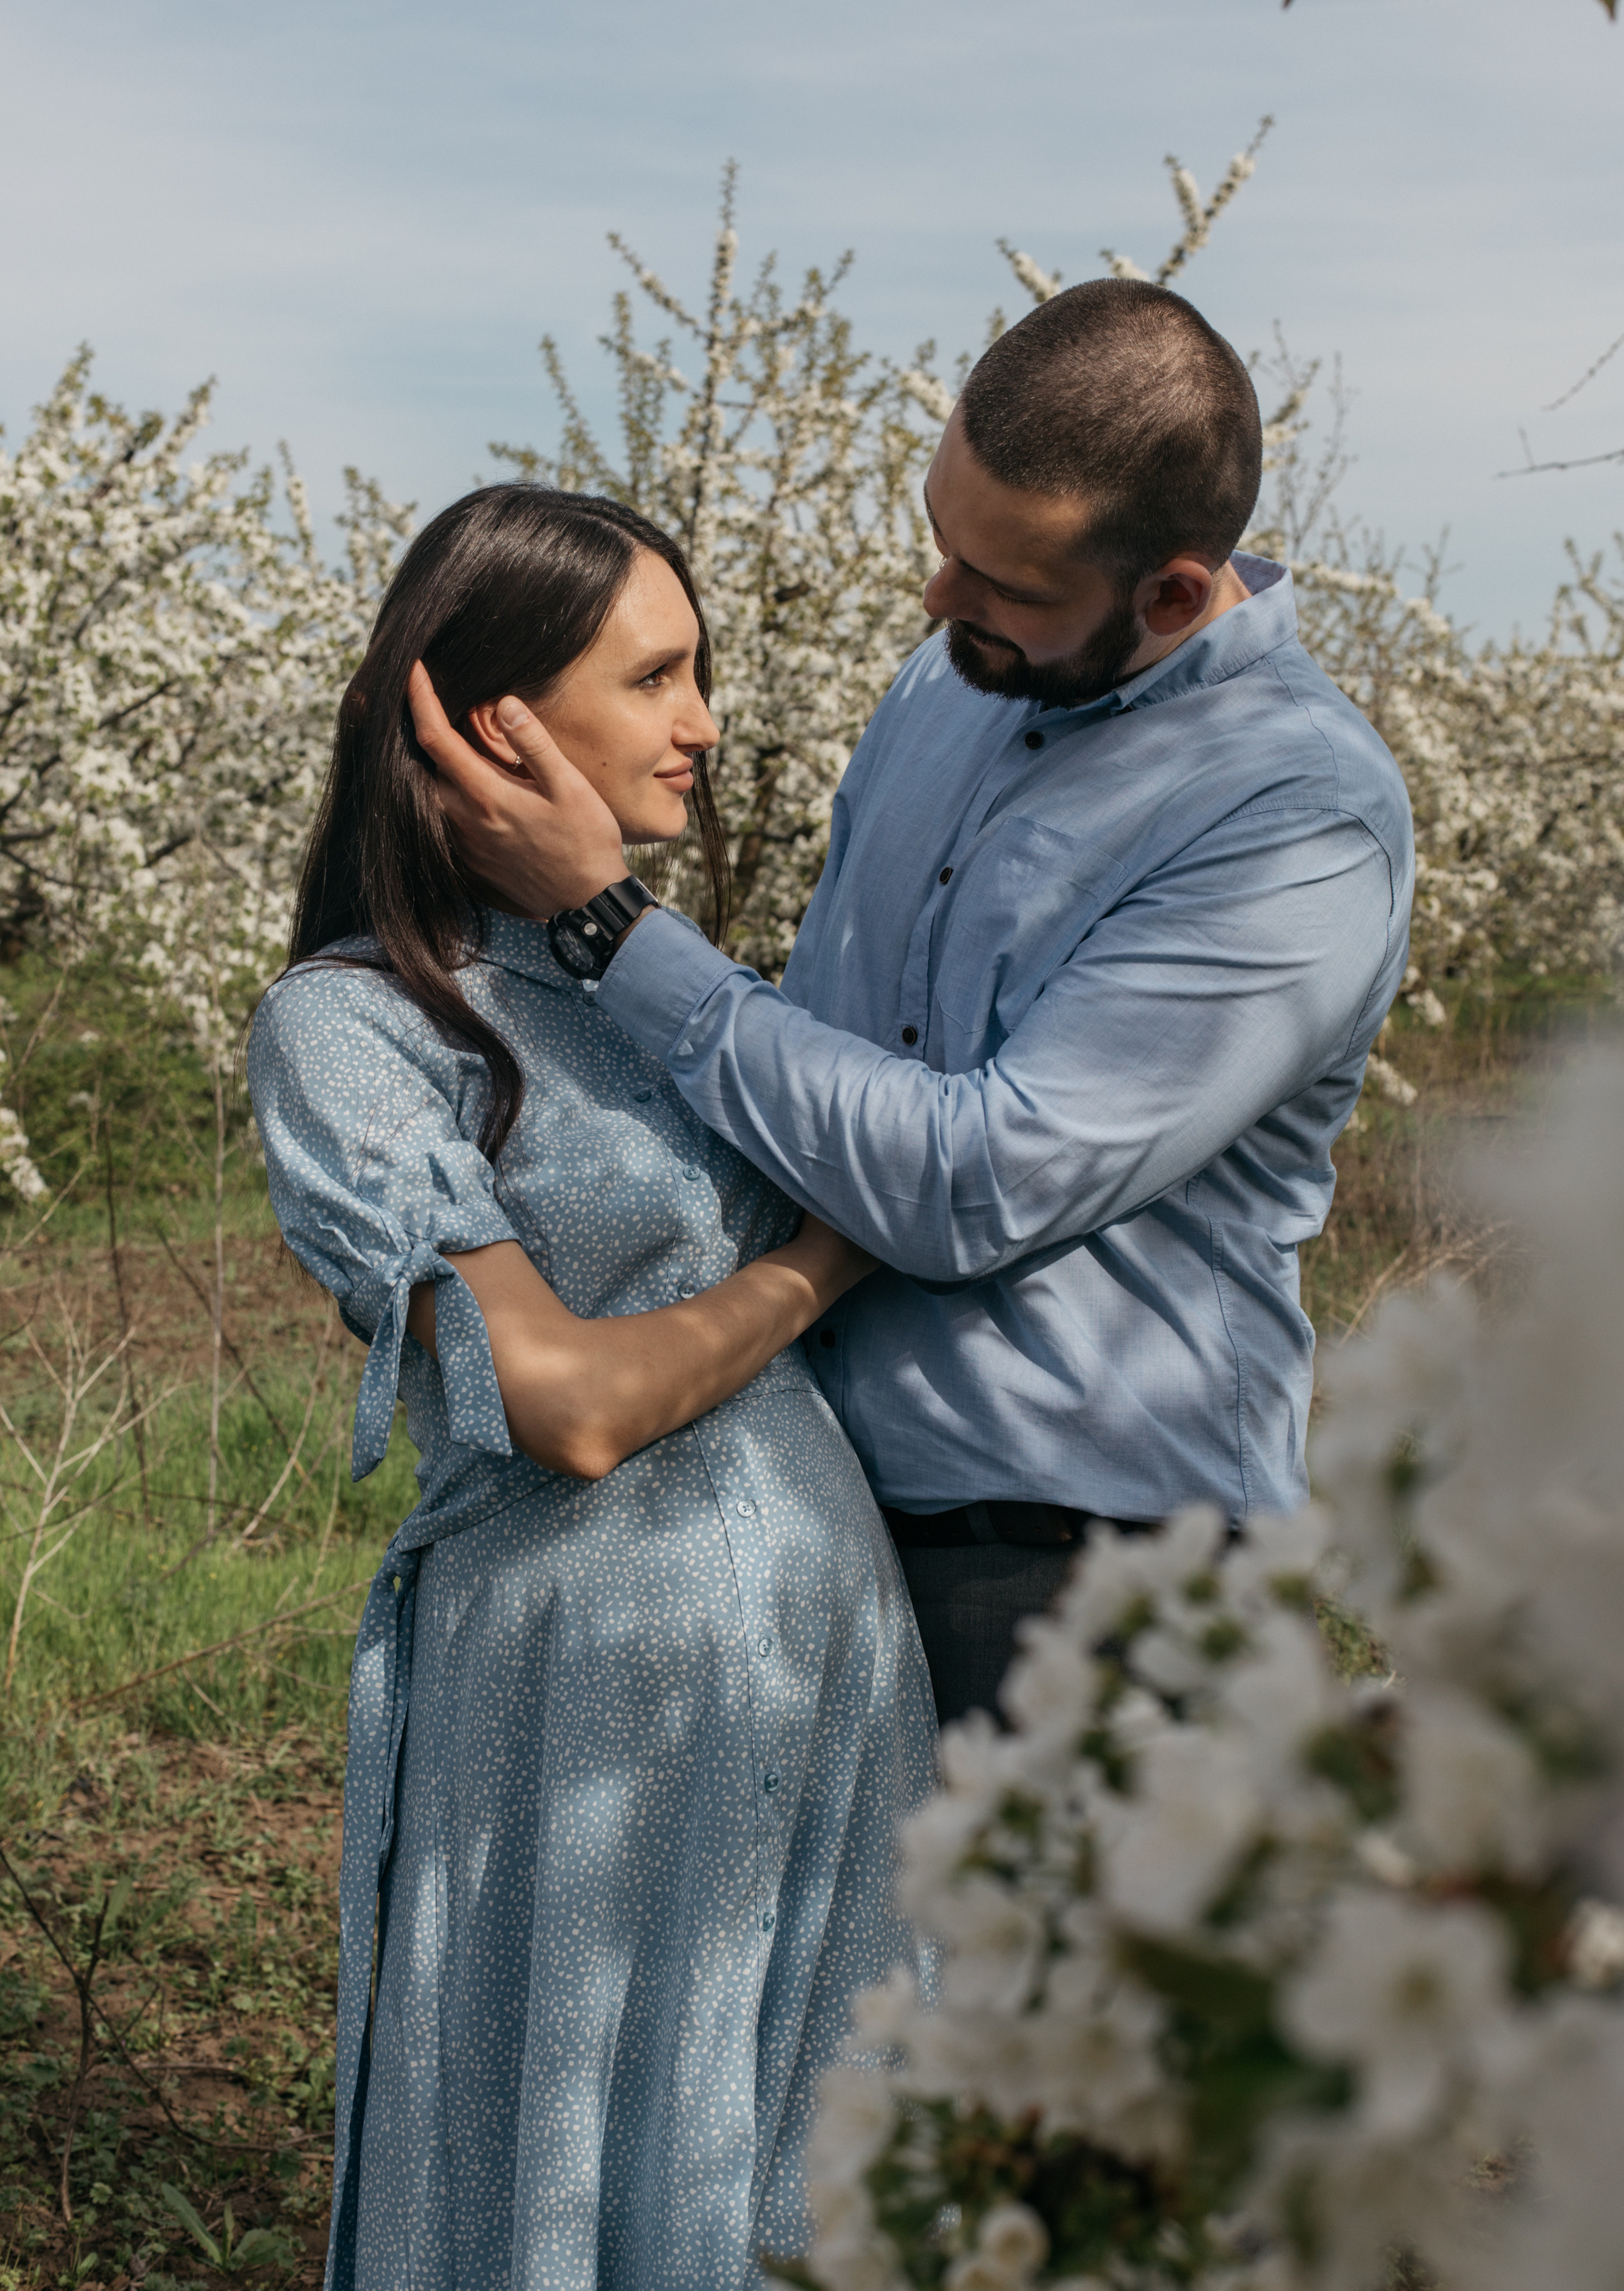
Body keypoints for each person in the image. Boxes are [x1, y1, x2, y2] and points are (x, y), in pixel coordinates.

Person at [407, 277, 1417, 1728]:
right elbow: (818, 1033)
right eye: (941, 538)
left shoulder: (1292, 817)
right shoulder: (946, 684)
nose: (939, 600)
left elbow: (968, 1184)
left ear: (1175, 594)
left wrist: (611, 925)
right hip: (815, 1495)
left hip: (1092, 1574)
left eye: (1002, 583)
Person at [246, 487, 935, 2291]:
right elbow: (563, 1399)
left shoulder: (662, 982)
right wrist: (816, 1263)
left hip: (825, 1680)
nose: (708, 720)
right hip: (581, 1709)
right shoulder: (356, 1022)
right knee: (565, 2169)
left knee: (807, 2183)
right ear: (502, 725)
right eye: (662, 675)